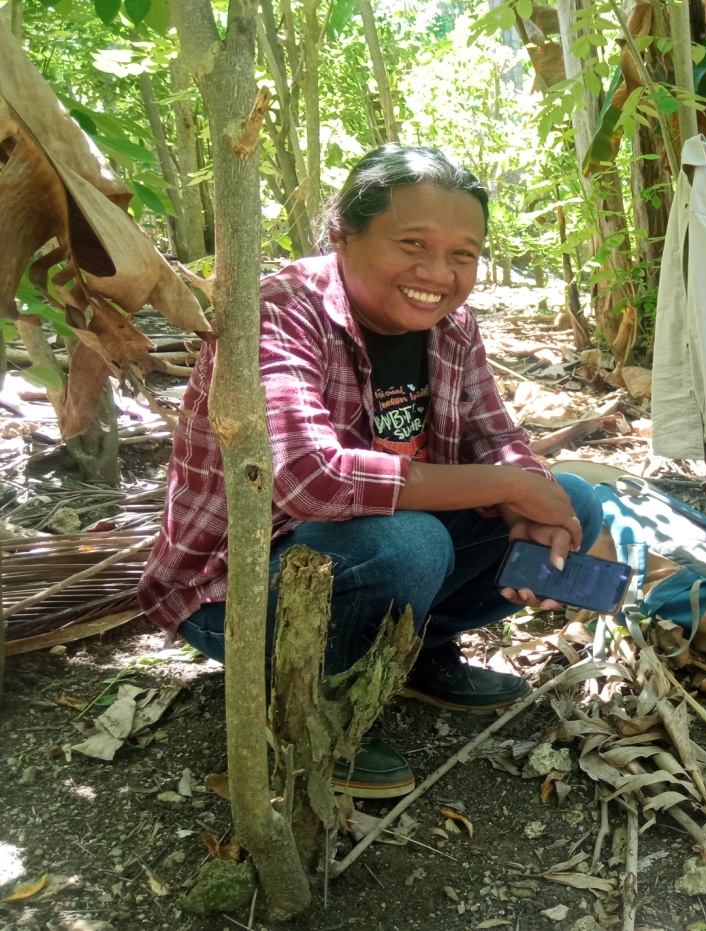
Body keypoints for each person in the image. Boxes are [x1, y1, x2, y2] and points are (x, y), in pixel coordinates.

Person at [138, 144, 604, 798]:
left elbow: (496, 435)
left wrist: (529, 497)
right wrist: (508, 486)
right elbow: (312, 478)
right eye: (412, 242)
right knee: (412, 540)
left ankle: (416, 652)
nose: (437, 272)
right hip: (237, 590)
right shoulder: (275, 310)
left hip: (368, 550)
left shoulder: (455, 327)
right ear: (341, 236)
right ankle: (314, 706)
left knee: (575, 500)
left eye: (462, 254)